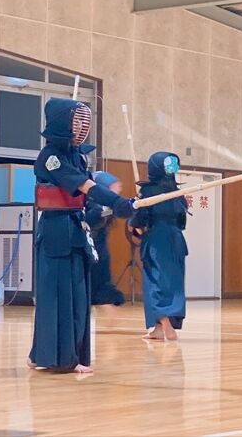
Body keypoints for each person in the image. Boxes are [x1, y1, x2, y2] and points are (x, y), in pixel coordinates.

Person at [28, 98, 134, 374]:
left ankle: (57, 353)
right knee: (56, 295)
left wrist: (112, 207)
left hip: (76, 227)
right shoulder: (49, 157)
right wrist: (115, 200)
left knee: (77, 294)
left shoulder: (78, 156)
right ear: (62, 122)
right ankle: (56, 357)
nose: (80, 127)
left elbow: (88, 196)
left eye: (82, 121)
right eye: (75, 121)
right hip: (55, 230)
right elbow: (83, 185)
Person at [129, 152, 188, 341]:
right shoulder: (178, 194)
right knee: (172, 284)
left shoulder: (148, 192)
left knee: (154, 281)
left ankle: (166, 325)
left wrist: (135, 209)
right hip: (176, 240)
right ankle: (158, 328)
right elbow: (182, 222)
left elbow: (138, 221)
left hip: (156, 241)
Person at [85, 171, 127, 313]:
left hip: (100, 245)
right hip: (90, 246)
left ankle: (105, 301)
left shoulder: (107, 205)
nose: (118, 190)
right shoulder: (92, 205)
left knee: (102, 274)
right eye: (114, 188)